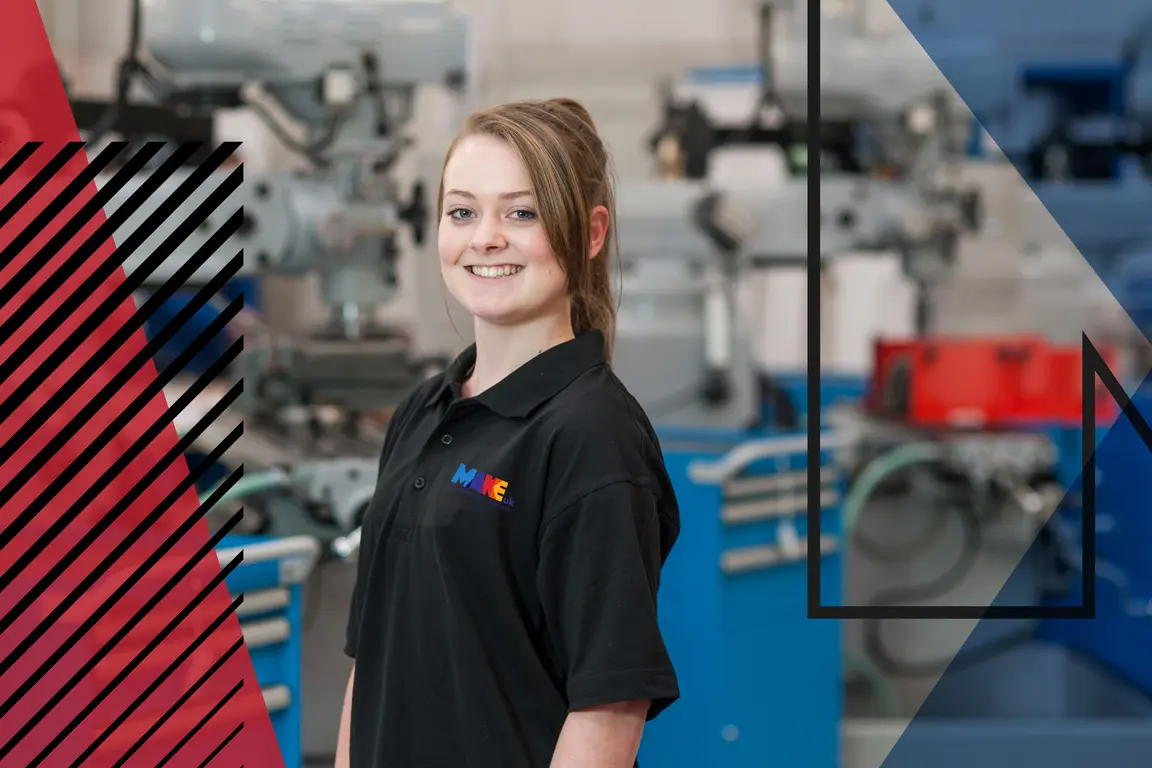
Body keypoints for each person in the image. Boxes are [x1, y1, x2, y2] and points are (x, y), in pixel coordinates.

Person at [335, 97, 681, 768]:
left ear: (590, 232)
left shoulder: (591, 435)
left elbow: (608, 708)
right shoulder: (422, 411)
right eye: (462, 212)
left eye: (520, 213)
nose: (485, 238)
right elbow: (369, 662)